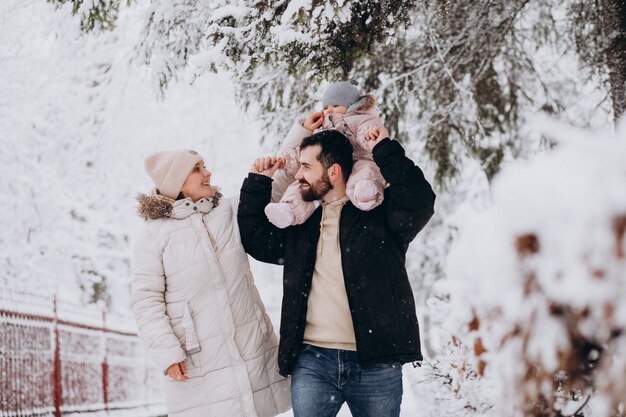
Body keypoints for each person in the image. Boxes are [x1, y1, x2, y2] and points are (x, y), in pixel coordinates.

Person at [238, 125, 436, 417]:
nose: (298, 175)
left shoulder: (379, 215)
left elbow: (419, 201)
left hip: (376, 361)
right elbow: (255, 238)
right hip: (312, 361)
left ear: (333, 172)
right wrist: (257, 182)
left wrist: (382, 147)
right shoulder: (300, 223)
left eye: (306, 166)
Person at [131, 149, 291, 417]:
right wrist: (168, 354)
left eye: (205, 166)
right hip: (200, 361)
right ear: (177, 182)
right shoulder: (152, 238)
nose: (208, 173)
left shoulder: (227, 212)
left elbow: (271, 190)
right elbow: (146, 303)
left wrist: (299, 134)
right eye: (197, 169)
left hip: (251, 349)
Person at [264, 80, 386, 228]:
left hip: (359, 159)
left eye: (335, 106)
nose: (329, 110)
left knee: (365, 172)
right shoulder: (325, 127)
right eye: (326, 107)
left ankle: (365, 194)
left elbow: (365, 130)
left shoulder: (361, 118)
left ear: (352, 106)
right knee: (306, 185)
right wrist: (288, 161)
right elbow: (311, 151)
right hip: (330, 165)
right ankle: (289, 210)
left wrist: (369, 136)